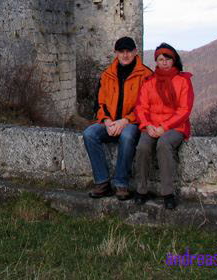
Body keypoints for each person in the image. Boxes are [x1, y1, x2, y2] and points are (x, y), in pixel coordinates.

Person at [83, 36, 153, 200]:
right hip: (110, 121)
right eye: (121, 51)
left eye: (128, 51)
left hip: (133, 122)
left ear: (135, 52)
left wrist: (125, 120)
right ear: (116, 53)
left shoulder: (146, 75)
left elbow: (147, 106)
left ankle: (121, 184)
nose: (125, 55)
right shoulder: (107, 74)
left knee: (127, 136)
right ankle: (102, 182)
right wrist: (107, 121)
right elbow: (99, 103)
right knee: (89, 134)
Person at [133, 43, 195, 210]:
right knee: (142, 147)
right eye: (161, 59)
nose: (164, 62)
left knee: (163, 144)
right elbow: (141, 107)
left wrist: (164, 127)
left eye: (167, 59)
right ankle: (141, 190)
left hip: (175, 127)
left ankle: (168, 193)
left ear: (173, 60)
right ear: (156, 61)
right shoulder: (149, 82)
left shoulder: (183, 81)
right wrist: (147, 125)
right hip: (151, 126)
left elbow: (184, 110)